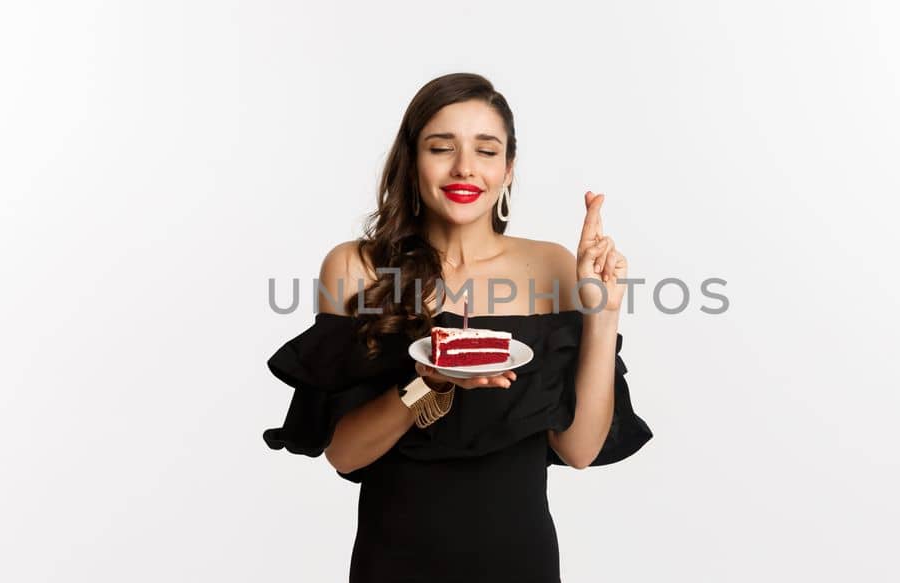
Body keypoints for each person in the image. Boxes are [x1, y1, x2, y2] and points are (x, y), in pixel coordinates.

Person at [262, 72, 653, 582]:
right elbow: (344, 454)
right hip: (394, 562)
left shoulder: (552, 266)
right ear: (412, 161)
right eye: (441, 147)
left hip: (521, 561)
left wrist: (602, 313)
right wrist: (432, 381)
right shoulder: (356, 268)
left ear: (509, 168)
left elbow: (578, 450)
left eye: (487, 151)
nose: (465, 168)